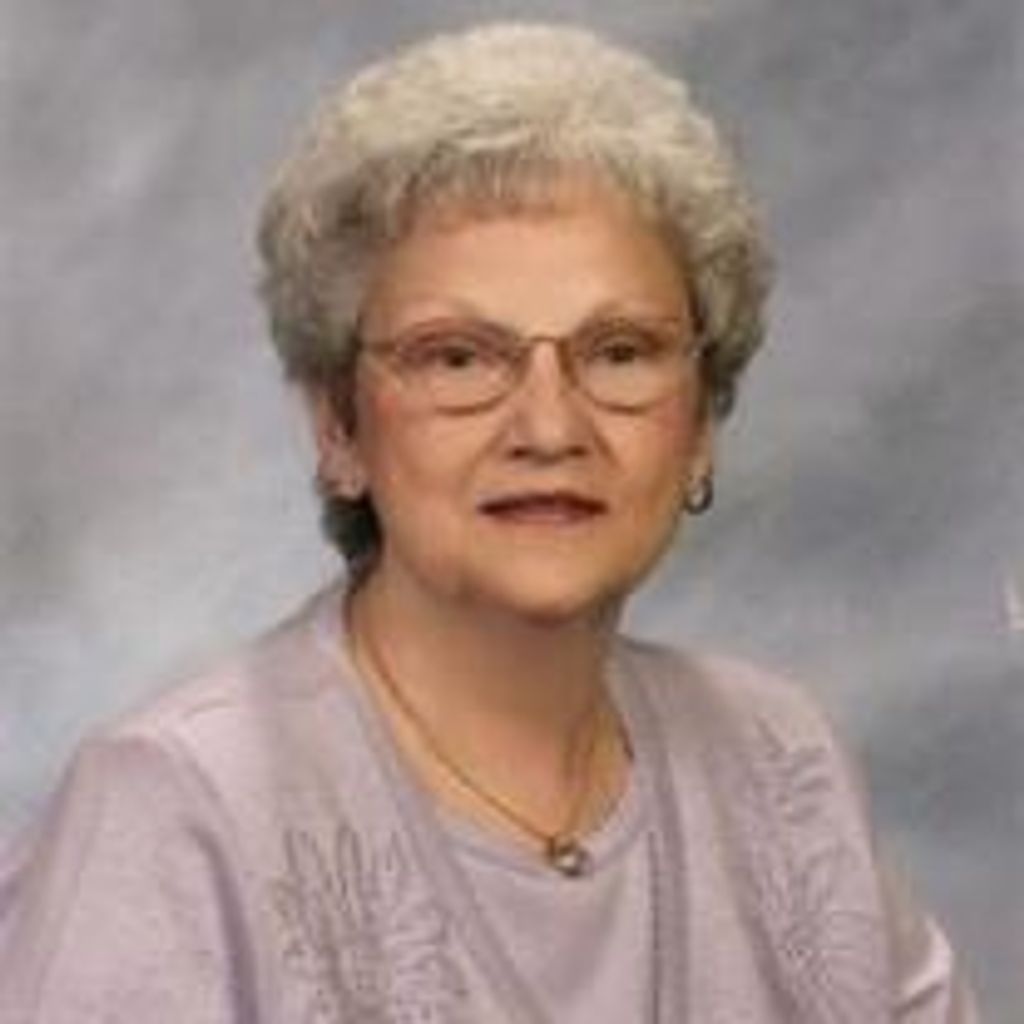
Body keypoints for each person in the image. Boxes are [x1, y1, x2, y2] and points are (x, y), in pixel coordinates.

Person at [0, 22, 976, 1023]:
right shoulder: (172, 809)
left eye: (620, 350)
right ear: (339, 427)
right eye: (459, 357)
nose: (550, 427)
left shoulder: (779, 760)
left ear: (700, 426)